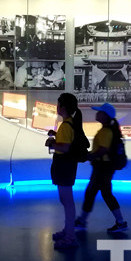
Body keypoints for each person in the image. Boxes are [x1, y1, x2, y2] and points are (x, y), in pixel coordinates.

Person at [75, 103, 128, 233]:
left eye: (100, 112)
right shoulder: (108, 130)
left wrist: (90, 156)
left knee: (94, 193)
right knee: (101, 193)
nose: (97, 113)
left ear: (105, 116)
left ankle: (83, 221)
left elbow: (103, 149)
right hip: (105, 167)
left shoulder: (105, 131)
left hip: (102, 167)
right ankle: (119, 222)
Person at [45, 93, 83, 249]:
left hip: (64, 165)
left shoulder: (67, 125)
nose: (57, 107)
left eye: (58, 104)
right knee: (65, 200)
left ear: (63, 107)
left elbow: (65, 147)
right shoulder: (68, 124)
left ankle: (70, 237)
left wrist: (51, 144)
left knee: (67, 201)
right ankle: (68, 230)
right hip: (66, 166)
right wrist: (56, 136)